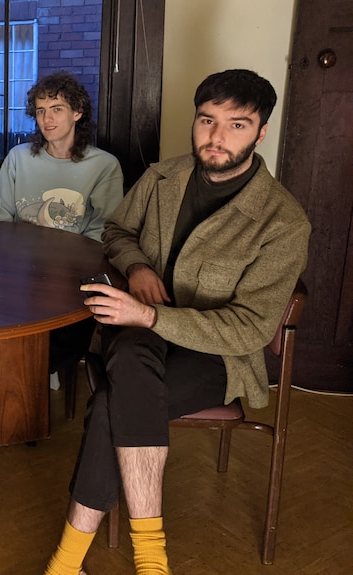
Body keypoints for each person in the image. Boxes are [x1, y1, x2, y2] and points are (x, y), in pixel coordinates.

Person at [44, 69, 311, 575]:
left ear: (261, 132)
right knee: (133, 357)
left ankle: (69, 562)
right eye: (207, 120)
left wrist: (149, 314)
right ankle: (151, 561)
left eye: (237, 124)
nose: (216, 136)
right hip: (138, 337)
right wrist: (139, 267)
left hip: (217, 358)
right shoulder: (162, 177)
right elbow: (118, 231)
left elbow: (251, 329)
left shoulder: (283, 221)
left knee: (111, 403)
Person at [0, 71, 124, 387]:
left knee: (56, 339)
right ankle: (5, 386)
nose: (47, 119)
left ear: (77, 113)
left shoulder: (104, 166)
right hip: (18, 271)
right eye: (40, 111)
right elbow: (0, 219)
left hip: (71, 276)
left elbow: (104, 230)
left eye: (57, 109)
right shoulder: (18, 158)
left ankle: (32, 381)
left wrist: (58, 267)